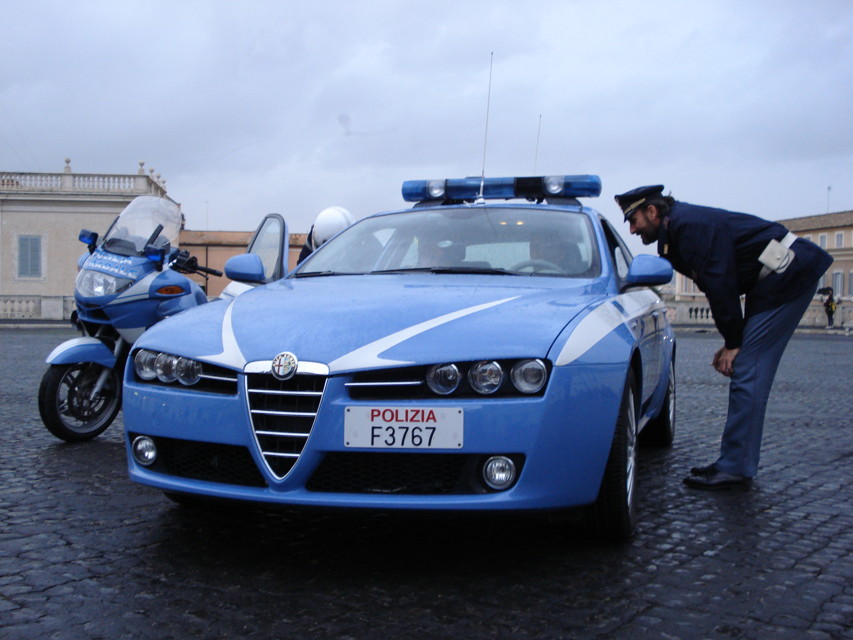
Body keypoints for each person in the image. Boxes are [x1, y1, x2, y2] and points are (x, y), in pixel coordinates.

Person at [616, 185, 833, 491]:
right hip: (776, 278)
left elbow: (720, 286)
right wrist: (733, 339)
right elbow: (720, 283)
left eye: (633, 219)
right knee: (747, 367)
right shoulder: (680, 227)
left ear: (652, 211)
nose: (632, 228)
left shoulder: (688, 228)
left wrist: (733, 343)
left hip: (786, 276)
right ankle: (735, 462)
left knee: (747, 370)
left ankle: (735, 467)